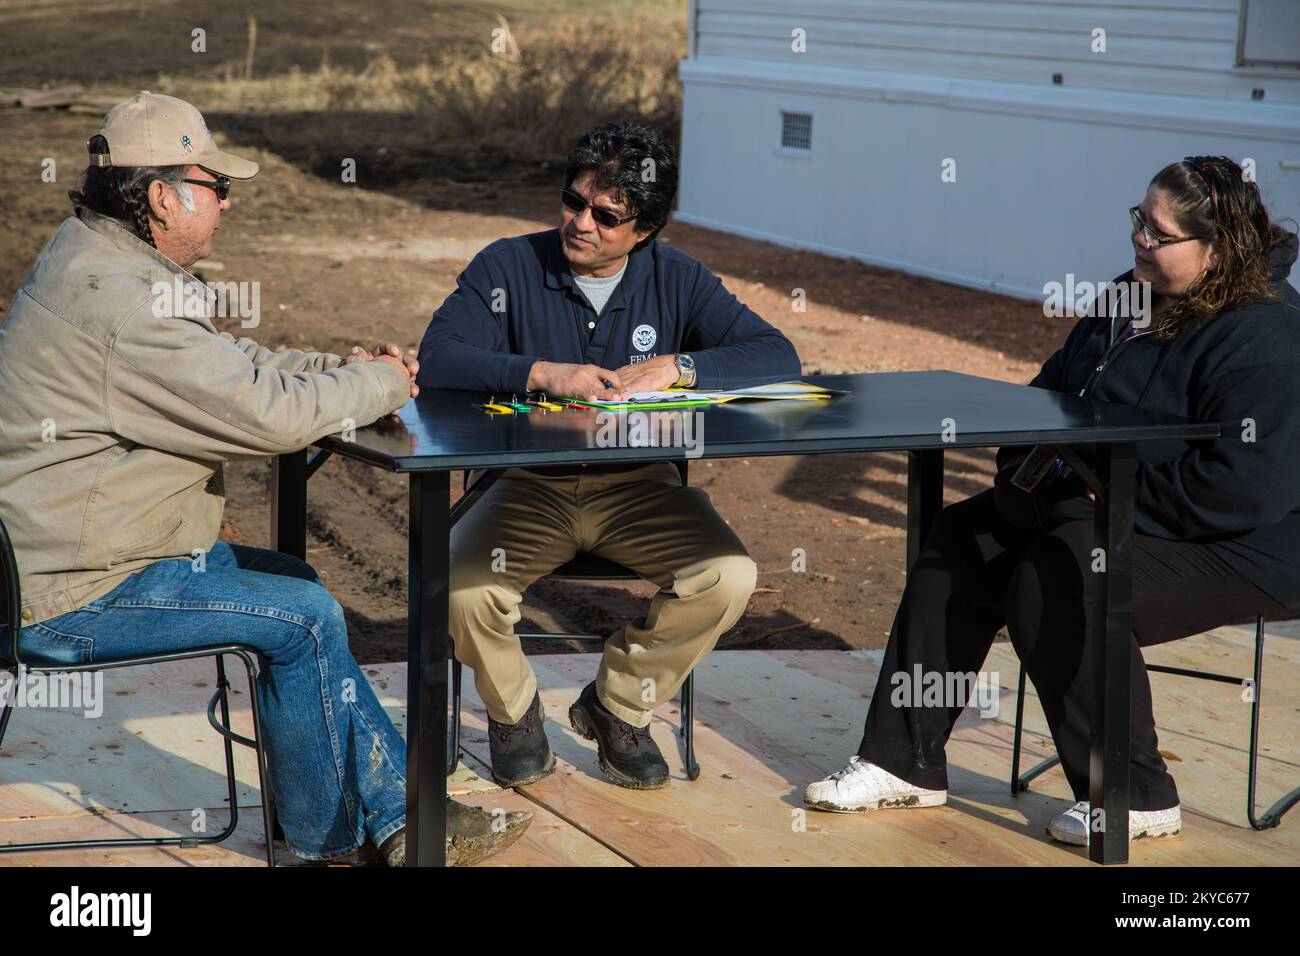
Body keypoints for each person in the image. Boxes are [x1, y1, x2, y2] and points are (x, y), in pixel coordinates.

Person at [0, 91, 530, 866]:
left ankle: (401, 817)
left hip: (72, 553)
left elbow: (228, 370)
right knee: (306, 614)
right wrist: (382, 384)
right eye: (216, 188)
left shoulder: (95, 255)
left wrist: (344, 370)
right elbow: (267, 418)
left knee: (291, 582)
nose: (226, 205)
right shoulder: (129, 303)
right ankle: (329, 845)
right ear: (159, 196)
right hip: (72, 591)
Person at [805, 156, 1300, 846]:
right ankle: (904, 762)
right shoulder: (1131, 295)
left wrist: (1092, 501)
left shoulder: (1266, 337)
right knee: (961, 538)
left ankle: (1133, 793)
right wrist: (1031, 468)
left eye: (1159, 234)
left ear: (1216, 251)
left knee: (1067, 571)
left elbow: (1244, 487)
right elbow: (1054, 394)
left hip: (1246, 545)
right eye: (1139, 220)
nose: (1139, 241)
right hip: (1102, 503)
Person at [417, 120, 800, 790]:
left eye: (605, 215)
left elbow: (778, 357)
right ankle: (514, 713)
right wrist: (540, 373)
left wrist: (680, 366)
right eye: (573, 202)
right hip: (525, 485)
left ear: (645, 229)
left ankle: (619, 705)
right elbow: (440, 357)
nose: (581, 223)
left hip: (640, 488)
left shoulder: (678, 277)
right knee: (462, 586)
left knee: (728, 577)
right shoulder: (507, 266)